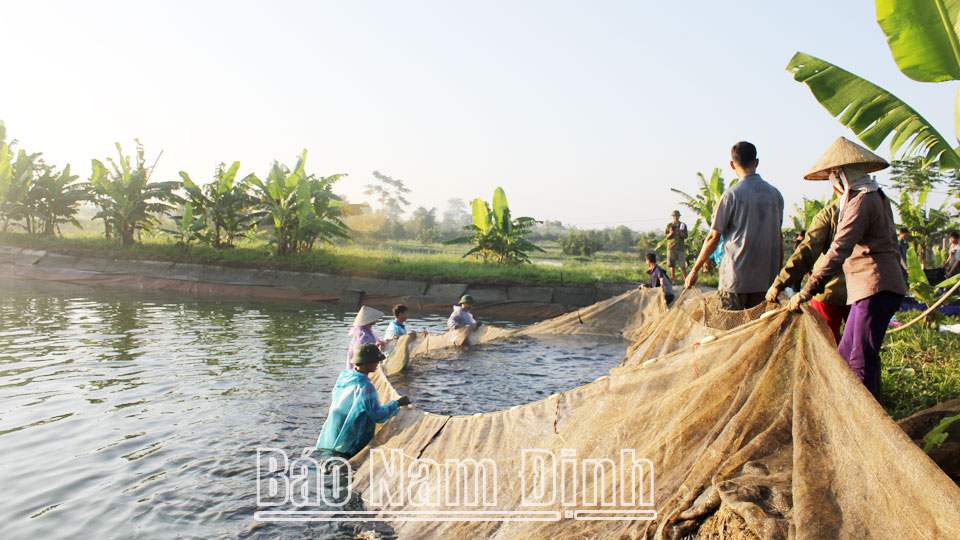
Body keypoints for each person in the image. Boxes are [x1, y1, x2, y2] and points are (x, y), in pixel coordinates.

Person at [788, 137, 906, 400]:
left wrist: (807, 289)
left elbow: (838, 249)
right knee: (845, 353)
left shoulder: (861, 202)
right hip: (868, 290)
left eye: (833, 181)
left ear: (841, 178)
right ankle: (846, 409)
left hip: (876, 287)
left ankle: (864, 424)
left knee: (860, 358)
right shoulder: (876, 196)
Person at [685, 141, 784, 310]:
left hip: (735, 279)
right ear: (756, 162)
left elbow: (713, 236)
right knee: (757, 332)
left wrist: (695, 269)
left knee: (730, 331)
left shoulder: (731, 195)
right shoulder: (775, 195)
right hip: (765, 280)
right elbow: (778, 237)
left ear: (732, 164)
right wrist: (779, 275)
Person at [766, 199, 848, 344]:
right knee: (860, 350)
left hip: (828, 290)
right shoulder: (877, 204)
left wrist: (780, 283)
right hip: (862, 292)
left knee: (826, 347)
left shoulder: (831, 212)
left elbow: (808, 251)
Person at [316, 343, 411, 459]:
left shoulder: (345, 376)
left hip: (334, 429)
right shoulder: (366, 387)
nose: (377, 364)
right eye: (376, 361)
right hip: (351, 436)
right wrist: (397, 403)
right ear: (368, 363)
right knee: (349, 462)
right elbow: (377, 415)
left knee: (333, 460)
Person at [665, 210, 689, 283]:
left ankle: (686, 280)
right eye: (674, 216)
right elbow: (666, 236)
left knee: (682, 265)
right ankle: (674, 280)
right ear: (672, 217)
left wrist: (680, 232)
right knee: (672, 265)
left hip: (680, 247)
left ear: (679, 217)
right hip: (671, 247)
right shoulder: (669, 225)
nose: (676, 217)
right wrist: (671, 233)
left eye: (677, 216)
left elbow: (685, 236)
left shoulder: (683, 225)